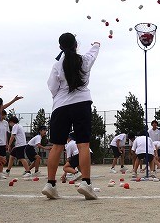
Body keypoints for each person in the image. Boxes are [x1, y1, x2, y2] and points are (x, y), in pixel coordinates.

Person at [42, 33, 100, 200]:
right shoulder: (84, 60)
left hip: (60, 106)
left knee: (57, 146)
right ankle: (86, 183)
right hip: (81, 103)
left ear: (60, 47)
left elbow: (52, 87)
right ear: (76, 45)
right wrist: (96, 43)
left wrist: (60, 98)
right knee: (83, 144)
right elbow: (93, 53)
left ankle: (50, 184)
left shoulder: (57, 65)